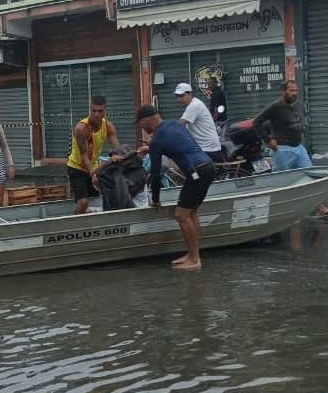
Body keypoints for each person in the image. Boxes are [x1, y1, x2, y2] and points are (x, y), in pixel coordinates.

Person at [137, 104, 215, 271]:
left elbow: (156, 174)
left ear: (147, 120)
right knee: (191, 212)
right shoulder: (174, 124)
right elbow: (178, 144)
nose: (142, 128)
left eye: (141, 124)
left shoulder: (157, 139)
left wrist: (155, 199)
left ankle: (194, 259)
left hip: (197, 172)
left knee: (181, 215)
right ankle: (193, 255)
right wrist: (151, 148)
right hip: (207, 167)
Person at [253, 80, 328, 217]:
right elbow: (256, 122)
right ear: (284, 91)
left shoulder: (294, 105)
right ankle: (275, 213)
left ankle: (320, 209)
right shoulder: (275, 106)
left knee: (310, 178)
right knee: (281, 183)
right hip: (282, 151)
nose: (294, 94)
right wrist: (268, 140)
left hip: (299, 148)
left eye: (296, 91)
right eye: (291, 91)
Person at [67, 95, 119, 214]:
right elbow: (84, 156)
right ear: (90, 109)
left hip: (94, 166)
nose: (96, 114)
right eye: (93, 111)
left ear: (105, 110)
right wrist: (93, 174)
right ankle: (75, 226)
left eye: (100, 111)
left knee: (101, 198)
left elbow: (117, 149)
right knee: (83, 202)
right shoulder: (81, 128)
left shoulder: (108, 126)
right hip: (77, 168)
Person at [175, 83, 224, 162]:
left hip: (207, 148)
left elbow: (180, 124)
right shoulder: (193, 104)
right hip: (203, 146)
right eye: (177, 96)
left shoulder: (194, 105)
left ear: (189, 93)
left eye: (181, 96)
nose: (179, 99)